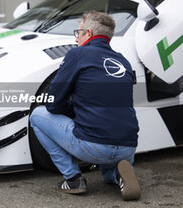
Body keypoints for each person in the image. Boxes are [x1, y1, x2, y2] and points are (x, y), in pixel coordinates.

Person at [29, 11, 141, 200]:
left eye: (78, 33)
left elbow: (53, 101)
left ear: (88, 33)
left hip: (94, 147)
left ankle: (72, 179)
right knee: (105, 126)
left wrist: (72, 110)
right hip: (128, 146)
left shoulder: (78, 54)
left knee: (38, 115)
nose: (76, 38)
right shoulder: (123, 61)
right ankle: (115, 175)